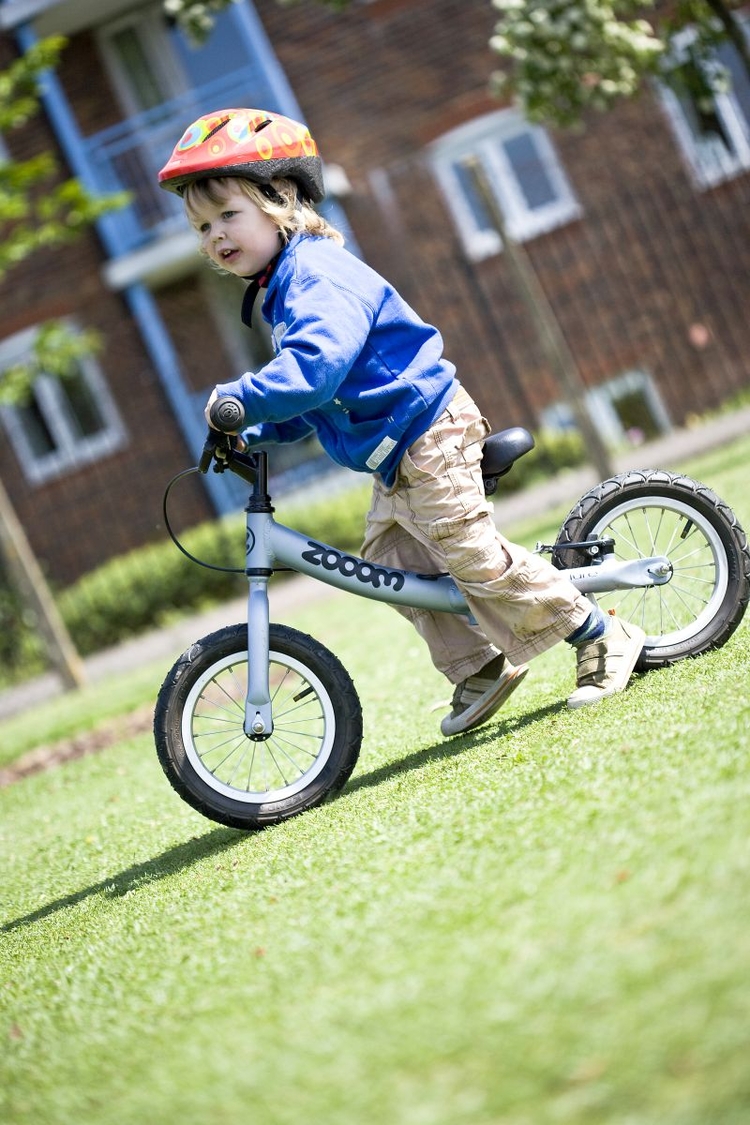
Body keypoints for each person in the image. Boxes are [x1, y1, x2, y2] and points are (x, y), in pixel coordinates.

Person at [158, 107, 645, 737]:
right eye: (202, 227)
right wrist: (253, 430)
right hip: (395, 452)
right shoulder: (283, 287)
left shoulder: (316, 274)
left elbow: (316, 367)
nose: (215, 236)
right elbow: (315, 399)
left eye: (229, 215)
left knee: (469, 555)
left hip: (429, 430)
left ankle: (602, 633)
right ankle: (479, 668)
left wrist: (243, 397)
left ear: (281, 202)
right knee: (393, 564)